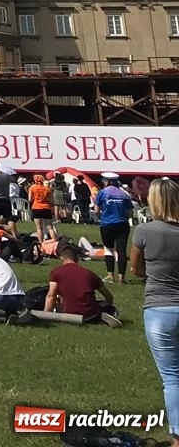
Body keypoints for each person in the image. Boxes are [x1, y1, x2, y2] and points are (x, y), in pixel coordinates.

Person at [132, 178, 179, 443]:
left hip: (159, 307)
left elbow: (136, 269)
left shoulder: (144, 231)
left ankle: (178, 436)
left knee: (172, 378)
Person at [46, 242, 120, 326]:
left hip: (68, 314)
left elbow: (51, 296)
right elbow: (108, 296)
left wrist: (45, 315)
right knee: (104, 305)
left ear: (62, 258)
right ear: (77, 258)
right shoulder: (90, 274)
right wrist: (108, 304)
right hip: (90, 315)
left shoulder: (56, 272)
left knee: (58, 302)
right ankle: (106, 314)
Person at [97, 172, 135, 284]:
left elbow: (96, 210)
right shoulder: (124, 194)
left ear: (106, 181)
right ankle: (121, 278)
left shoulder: (102, 193)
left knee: (108, 249)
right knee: (121, 250)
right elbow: (130, 213)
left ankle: (110, 276)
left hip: (106, 224)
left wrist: (102, 218)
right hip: (122, 224)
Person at [28, 173, 55, 240]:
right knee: (50, 227)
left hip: (36, 207)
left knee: (39, 228)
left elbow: (30, 200)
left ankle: (40, 242)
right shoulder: (47, 189)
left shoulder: (32, 188)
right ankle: (54, 240)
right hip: (46, 208)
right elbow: (52, 201)